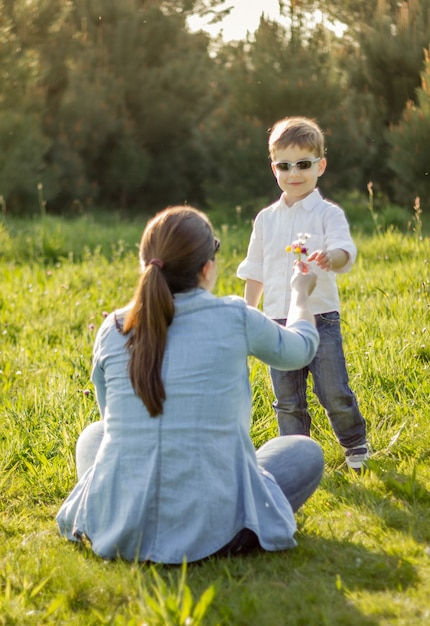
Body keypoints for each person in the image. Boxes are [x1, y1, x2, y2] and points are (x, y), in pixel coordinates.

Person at [56, 205, 324, 564]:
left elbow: (115, 421)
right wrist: (300, 293)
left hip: (123, 526)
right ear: (206, 268)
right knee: (304, 452)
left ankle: (113, 512)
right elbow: (302, 349)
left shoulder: (114, 327)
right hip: (216, 527)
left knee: (95, 433)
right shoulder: (235, 316)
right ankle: (233, 522)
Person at [237, 116, 369, 471]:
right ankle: (297, 459)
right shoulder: (266, 219)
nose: (294, 173)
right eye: (284, 165)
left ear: (320, 166)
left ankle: (355, 444)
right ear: (273, 168)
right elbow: (255, 269)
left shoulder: (328, 214)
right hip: (277, 323)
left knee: (333, 392)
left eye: (304, 164)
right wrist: (248, 313)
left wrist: (332, 256)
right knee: (287, 399)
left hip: (320, 319)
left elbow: (345, 250)